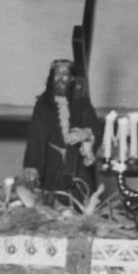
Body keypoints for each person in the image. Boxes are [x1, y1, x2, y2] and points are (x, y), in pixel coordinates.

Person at [22, 57, 100, 194]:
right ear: (52, 78)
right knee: (52, 204)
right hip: (52, 164)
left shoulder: (82, 103)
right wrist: (32, 166)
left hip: (78, 164)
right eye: (57, 74)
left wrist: (86, 133)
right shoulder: (42, 105)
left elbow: (96, 129)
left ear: (71, 78)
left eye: (65, 75)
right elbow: (35, 139)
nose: (60, 78)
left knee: (81, 202)